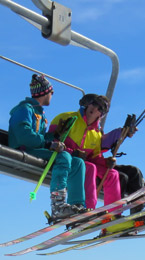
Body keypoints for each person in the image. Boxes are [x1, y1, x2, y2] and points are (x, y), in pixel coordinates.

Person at [8, 74, 87, 220]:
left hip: (35, 147)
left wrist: (55, 136)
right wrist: (49, 144)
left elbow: (42, 136)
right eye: (52, 92)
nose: (52, 95)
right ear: (44, 92)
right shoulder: (25, 110)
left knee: (77, 163)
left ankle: (77, 205)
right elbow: (23, 134)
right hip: (24, 148)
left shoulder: (39, 113)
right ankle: (58, 205)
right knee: (63, 156)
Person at [49, 94, 141, 213]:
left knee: (112, 174)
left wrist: (105, 162)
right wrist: (72, 152)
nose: (95, 108)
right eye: (94, 104)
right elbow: (51, 140)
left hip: (84, 161)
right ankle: (88, 208)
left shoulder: (96, 133)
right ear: (88, 104)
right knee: (89, 167)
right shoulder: (68, 118)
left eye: (100, 108)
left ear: (101, 114)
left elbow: (94, 157)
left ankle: (114, 214)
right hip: (68, 159)